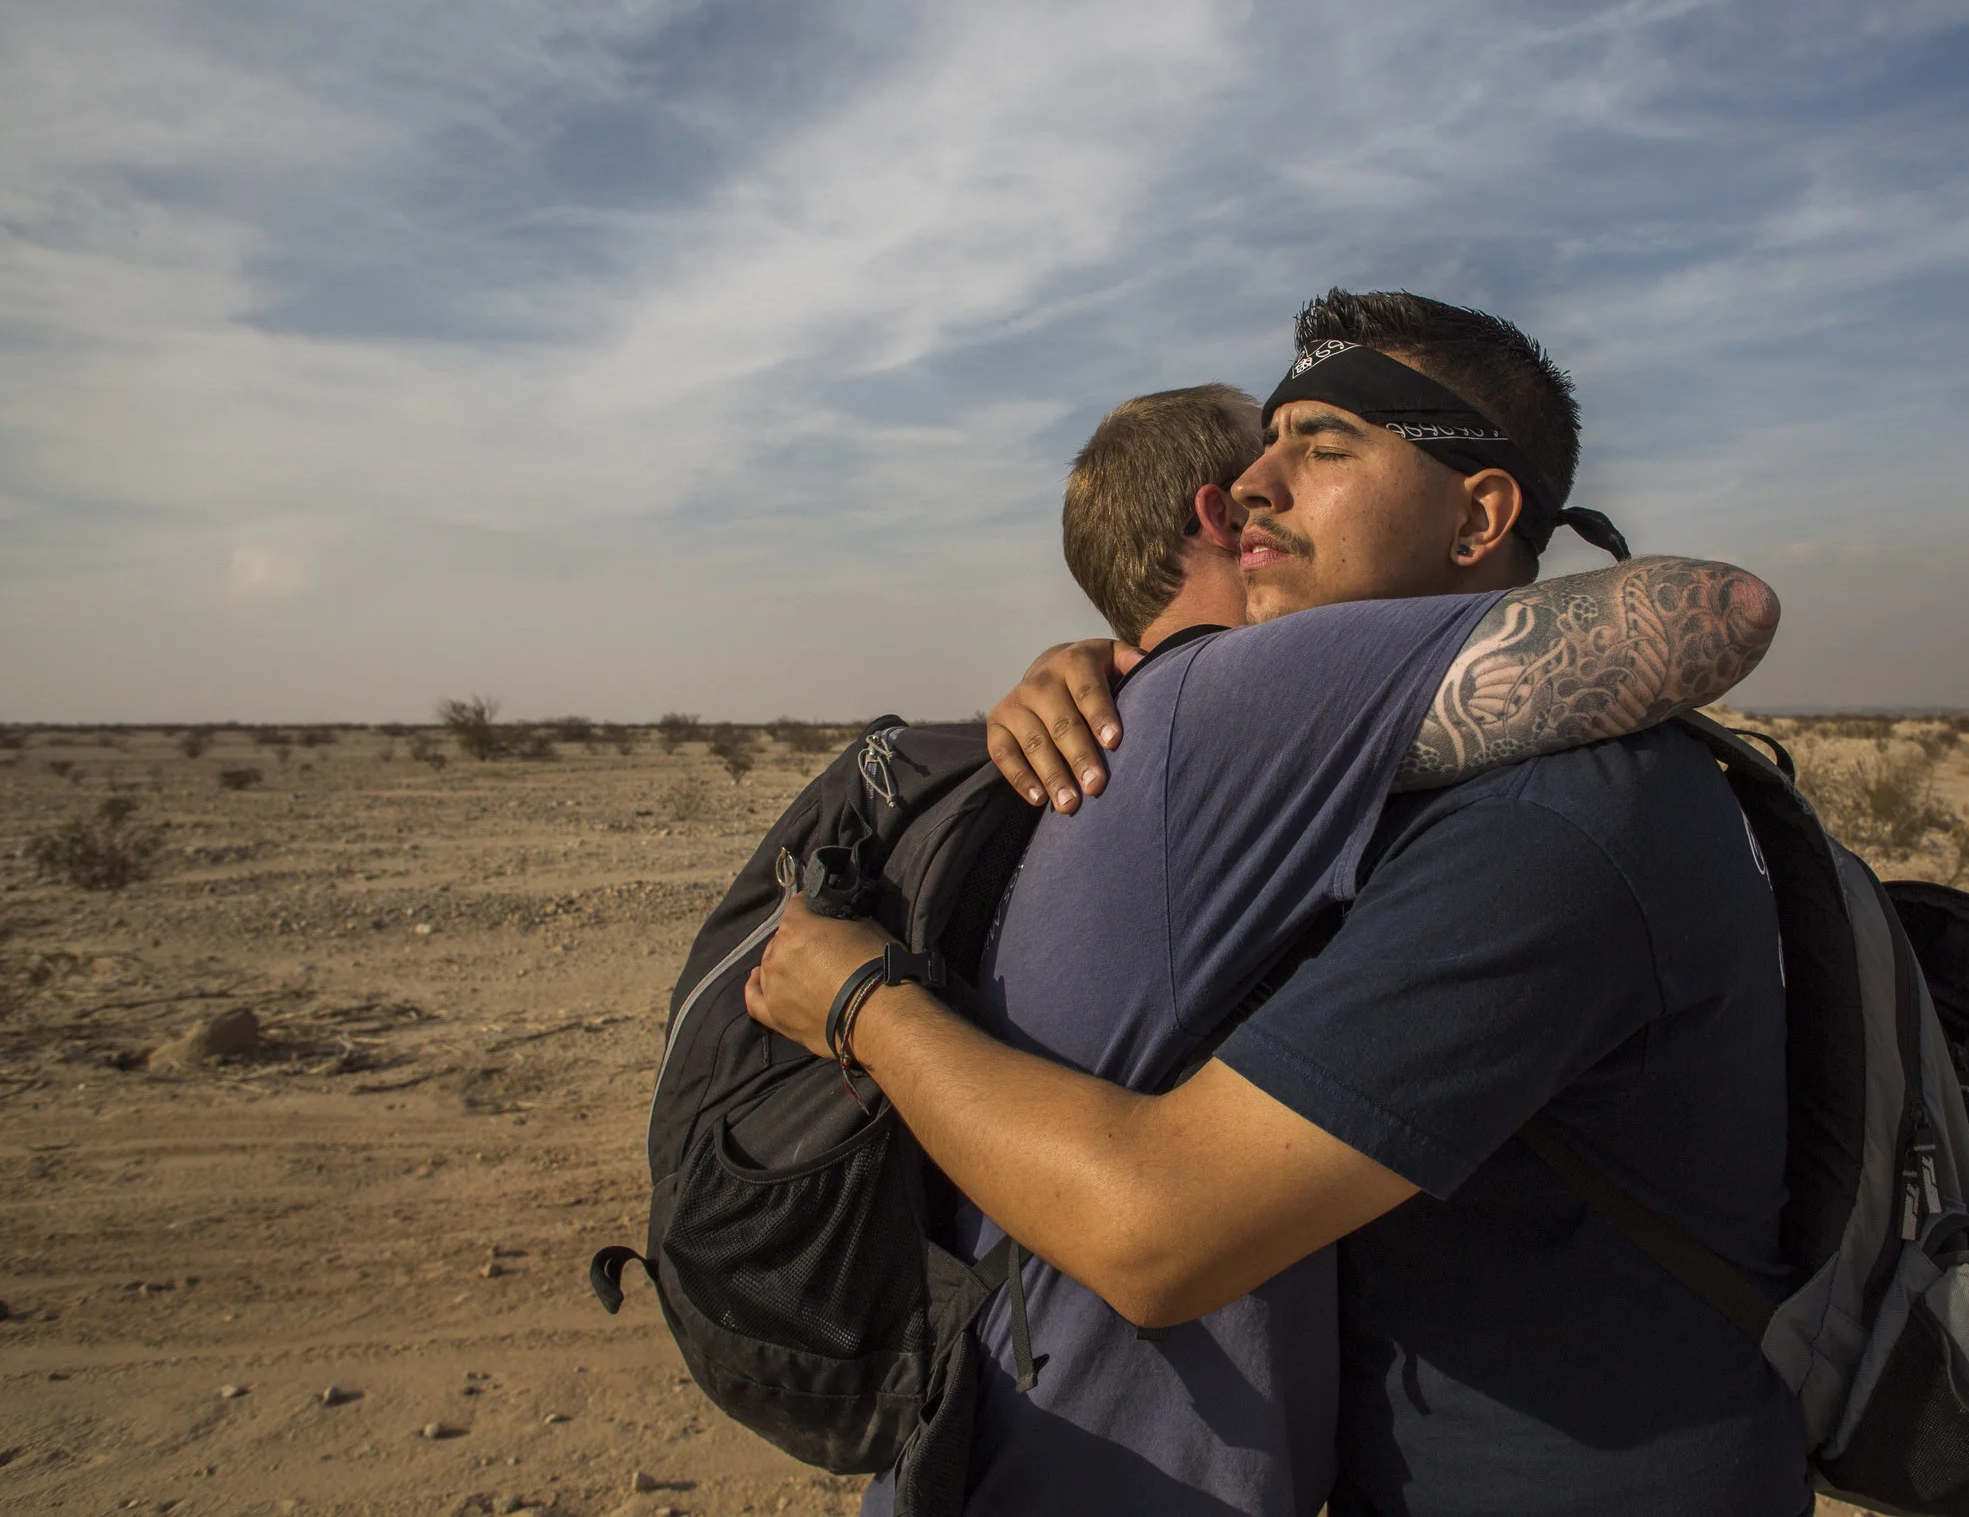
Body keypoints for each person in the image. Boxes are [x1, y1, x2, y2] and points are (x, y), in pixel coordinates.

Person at [751, 290, 1801, 1517]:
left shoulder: (1558, 820)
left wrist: (862, 997)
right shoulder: (1388, 785)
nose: (1253, 481)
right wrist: (1121, 671)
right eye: (1270, 438)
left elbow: (1162, 1230)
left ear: (1480, 514)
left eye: (1327, 443)